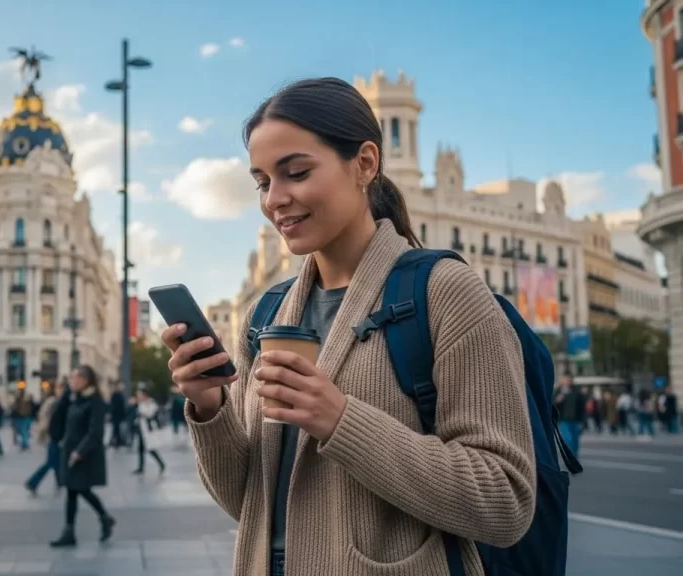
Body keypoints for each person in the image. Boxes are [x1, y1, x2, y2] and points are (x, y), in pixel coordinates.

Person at [162, 78, 536, 576]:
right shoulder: (267, 315)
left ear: (364, 163)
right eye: (262, 182)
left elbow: (505, 501)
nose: (275, 199)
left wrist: (340, 420)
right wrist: (210, 408)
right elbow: (248, 505)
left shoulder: (444, 291)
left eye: (296, 173)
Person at [49, 365, 115, 547]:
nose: (72, 381)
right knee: (74, 490)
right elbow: (58, 417)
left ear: (86, 380)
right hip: (70, 450)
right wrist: (65, 395)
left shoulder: (95, 401)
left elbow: (96, 431)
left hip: (84, 454)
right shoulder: (74, 399)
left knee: (80, 489)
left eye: (76, 378)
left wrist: (80, 451)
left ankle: (100, 519)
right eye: (71, 378)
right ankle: (74, 530)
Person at [26, 381, 69, 496]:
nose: (60, 391)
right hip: (54, 435)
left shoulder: (54, 401)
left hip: (53, 434)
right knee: (52, 461)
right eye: (59, 388)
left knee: (56, 460)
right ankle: (32, 482)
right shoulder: (56, 402)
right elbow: (51, 420)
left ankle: (60, 482)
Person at [131, 388, 166, 475]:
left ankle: (161, 464)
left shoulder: (150, 403)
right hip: (141, 429)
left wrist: (141, 412)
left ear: (145, 395)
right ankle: (141, 468)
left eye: (140, 395)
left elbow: (150, 414)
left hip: (148, 430)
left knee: (150, 448)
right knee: (141, 448)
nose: (139, 397)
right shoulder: (140, 404)